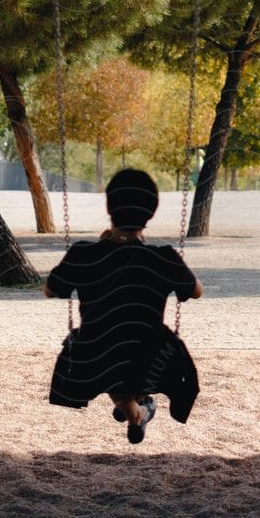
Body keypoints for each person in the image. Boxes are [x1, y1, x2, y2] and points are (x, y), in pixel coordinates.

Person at [45, 168, 203, 444]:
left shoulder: (84, 254)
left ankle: (134, 408)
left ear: (109, 207)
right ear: (151, 212)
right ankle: (137, 408)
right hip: (150, 355)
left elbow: (50, 289)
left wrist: (100, 249)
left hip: (94, 355)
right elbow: (195, 292)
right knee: (131, 353)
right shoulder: (163, 258)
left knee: (110, 351)